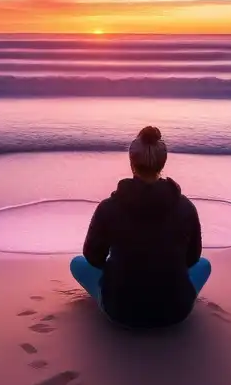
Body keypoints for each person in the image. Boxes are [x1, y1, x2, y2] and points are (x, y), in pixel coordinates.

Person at [70, 126, 211, 328]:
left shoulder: (109, 208)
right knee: (204, 265)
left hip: (121, 312)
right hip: (176, 312)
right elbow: (192, 258)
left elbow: (93, 257)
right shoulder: (186, 207)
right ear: (163, 163)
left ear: (132, 163)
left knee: (77, 263)